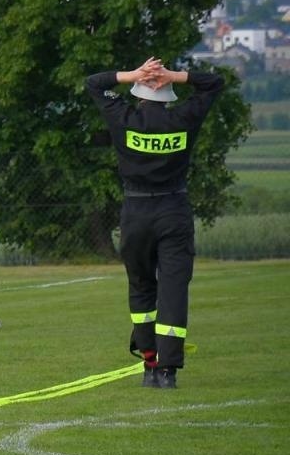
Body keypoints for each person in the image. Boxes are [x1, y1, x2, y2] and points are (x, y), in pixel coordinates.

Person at [87, 58, 224, 389]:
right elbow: (214, 83)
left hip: (135, 212)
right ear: (168, 94)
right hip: (173, 209)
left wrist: (133, 74)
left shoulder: (124, 118)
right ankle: (169, 371)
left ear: (139, 94)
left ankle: (149, 364)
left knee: (141, 287)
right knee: (174, 290)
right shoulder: (183, 118)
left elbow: (94, 83)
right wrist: (173, 75)